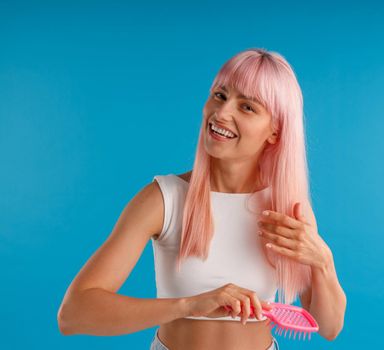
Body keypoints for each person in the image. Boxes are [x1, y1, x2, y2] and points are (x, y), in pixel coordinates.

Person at [57, 48, 346, 350]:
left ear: (275, 131)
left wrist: (323, 261)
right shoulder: (163, 199)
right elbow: (74, 313)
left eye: (247, 107)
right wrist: (188, 305)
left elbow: (328, 327)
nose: (221, 113)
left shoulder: (287, 208)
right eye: (220, 95)